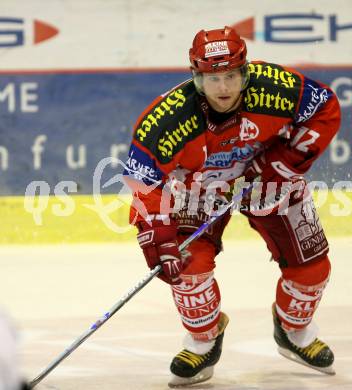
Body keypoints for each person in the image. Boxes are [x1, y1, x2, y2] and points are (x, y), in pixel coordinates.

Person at [123, 26, 341, 387]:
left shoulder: (276, 87)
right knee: (187, 266)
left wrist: (282, 162)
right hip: (198, 185)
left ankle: (294, 331)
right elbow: (143, 179)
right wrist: (158, 236)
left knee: (312, 268)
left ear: (245, 72)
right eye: (212, 78)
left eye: (230, 76)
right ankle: (203, 339)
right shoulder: (168, 118)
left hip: (268, 176)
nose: (223, 88)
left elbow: (326, 109)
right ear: (196, 77)